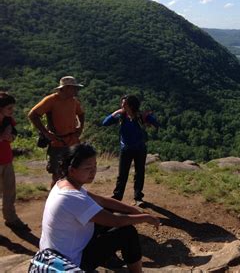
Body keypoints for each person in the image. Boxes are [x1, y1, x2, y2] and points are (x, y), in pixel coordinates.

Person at [39, 143, 161, 272]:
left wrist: (133, 210)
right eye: (87, 168)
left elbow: (102, 201)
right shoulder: (72, 197)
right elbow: (115, 221)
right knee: (127, 232)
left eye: (95, 166)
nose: (93, 172)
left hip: (54, 253)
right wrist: (145, 217)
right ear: (72, 169)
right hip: (70, 262)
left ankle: (108, 258)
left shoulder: (63, 184)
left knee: (105, 210)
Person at [28, 76, 85, 188]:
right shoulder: (51, 100)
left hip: (72, 141)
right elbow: (33, 115)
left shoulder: (73, 101)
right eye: (74, 88)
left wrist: (80, 127)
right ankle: (55, 199)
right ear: (66, 88)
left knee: (73, 171)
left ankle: (70, 196)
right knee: (57, 174)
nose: (76, 91)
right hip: (57, 143)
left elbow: (81, 114)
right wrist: (46, 133)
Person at [102, 95, 159, 206]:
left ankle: (138, 197)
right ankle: (117, 197)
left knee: (139, 173)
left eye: (125, 104)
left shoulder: (140, 116)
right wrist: (115, 112)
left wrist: (148, 117)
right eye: (122, 103)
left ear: (131, 105)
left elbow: (156, 123)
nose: (122, 105)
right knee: (122, 174)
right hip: (126, 148)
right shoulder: (121, 116)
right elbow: (105, 123)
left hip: (139, 148)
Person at [0, 92, 30, 231]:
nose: (12, 111)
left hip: (6, 160)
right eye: (9, 108)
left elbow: (13, 136)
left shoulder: (8, 120)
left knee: (9, 192)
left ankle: (11, 218)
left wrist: (9, 137)